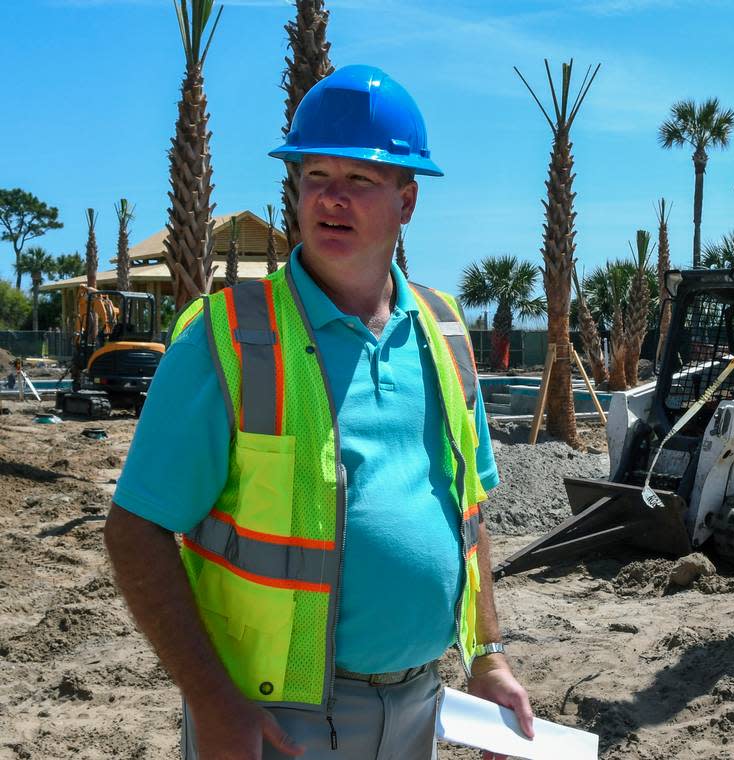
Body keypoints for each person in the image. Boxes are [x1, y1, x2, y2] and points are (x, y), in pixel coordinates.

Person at [104, 64, 533, 760]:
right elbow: (134, 529)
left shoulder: (444, 331)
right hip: (281, 723)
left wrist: (488, 659)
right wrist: (214, 701)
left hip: (423, 705)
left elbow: (468, 513)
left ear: (407, 200)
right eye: (314, 177)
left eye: (360, 179)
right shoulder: (228, 338)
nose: (332, 199)